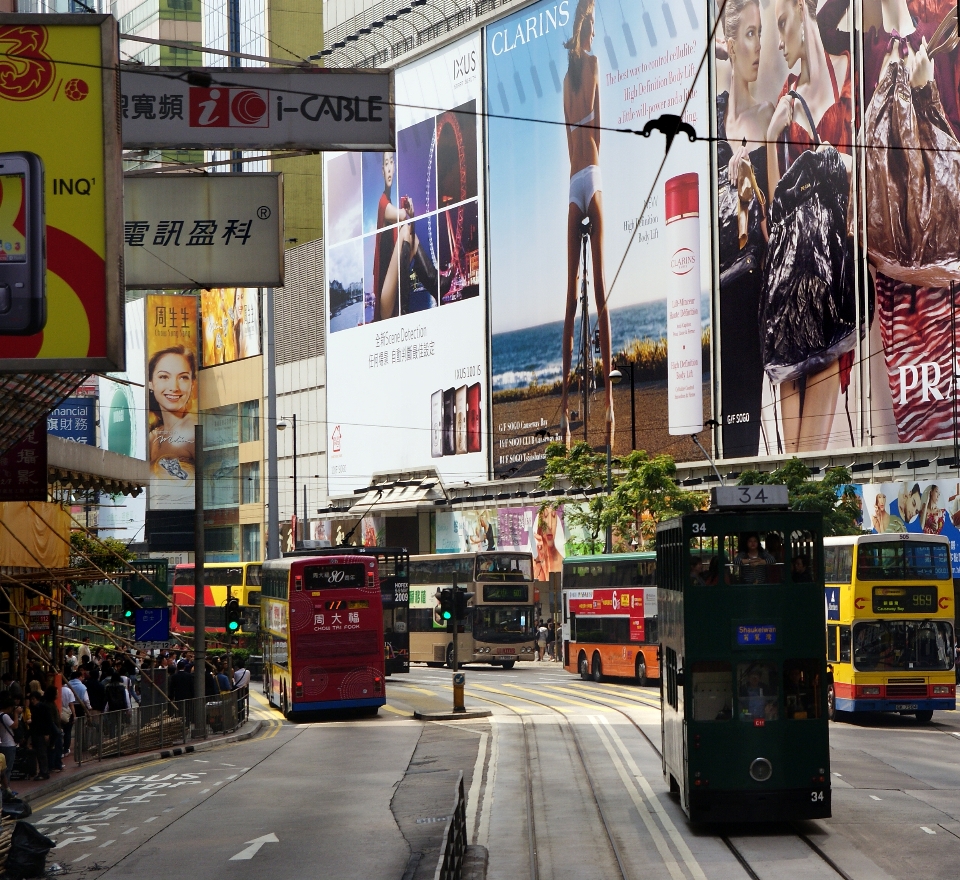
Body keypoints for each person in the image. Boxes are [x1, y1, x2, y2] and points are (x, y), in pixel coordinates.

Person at [765, 0, 854, 453]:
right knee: (792, 463)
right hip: (792, 292)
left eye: (782, 23)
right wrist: (770, 136)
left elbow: (864, 178)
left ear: (803, 9)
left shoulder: (849, 72)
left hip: (830, 288)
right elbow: (773, 216)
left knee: (809, 458)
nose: (779, 42)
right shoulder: (787, 95)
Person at [717, 0, 774, 458]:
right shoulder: (708, 125)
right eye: (751, 34)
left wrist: (748, 199)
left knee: (751, 439)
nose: (759, 46)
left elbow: (777, 226)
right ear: (730, 44)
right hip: (719, 308)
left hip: (760, 303)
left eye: (763, 32)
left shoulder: (770, 117)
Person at [559, 0, 613, 448]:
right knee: (599, 293)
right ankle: (610, 403)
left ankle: (563, 409)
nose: (594, 31)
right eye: (592, 24)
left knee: (570, 302)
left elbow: (572, 132)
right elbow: (597, 122)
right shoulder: (592, 64)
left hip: (575, 180)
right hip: (592, 179)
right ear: (586, 27)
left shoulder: (564, 80)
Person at [147, 345, 197, 483]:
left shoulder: (194, 430)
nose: (174, 387)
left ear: (192, 383)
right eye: (164, 376)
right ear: (150, 383)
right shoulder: (153, 436)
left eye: (183, 378)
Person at [532, 508, 564, 582]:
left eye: (553, 516)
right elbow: (539, 586)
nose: (550, 525)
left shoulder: (564, 562)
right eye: (545, 517)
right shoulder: (534, 559)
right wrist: (539, 562)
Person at [27, 691, 52, 781]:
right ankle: (42, 772)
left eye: (33, 699)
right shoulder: (33, 708)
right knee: (39, 753)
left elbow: (48, 721)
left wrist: (47, 733)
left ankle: (44, 772)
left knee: (42, 753)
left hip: (41, 733)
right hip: (36, 733)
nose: (32, 701)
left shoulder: (43, 707)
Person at [0, 695, 22, 790]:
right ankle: (6, 789)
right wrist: (16, 714)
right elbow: (15, 726)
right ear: (9, 707)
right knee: (7, 769)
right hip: (9, 745)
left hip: (3, 744)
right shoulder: (4, 716)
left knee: (3, 769)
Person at [60, 677, 76, 758]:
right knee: (68, 732)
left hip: (59, 713)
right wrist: (74, 715)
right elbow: (71, 704)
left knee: (60, 732)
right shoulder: (68, 691)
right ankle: (66, 749)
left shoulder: (56, 690)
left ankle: (60, 749)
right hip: (67, 713)